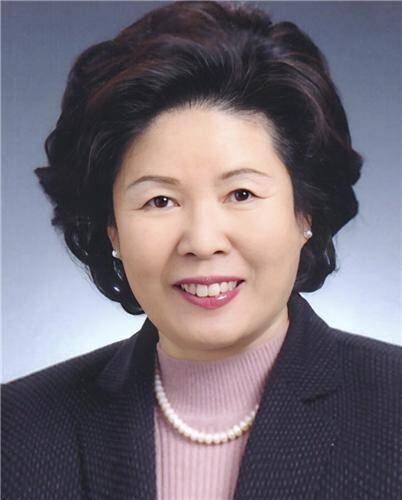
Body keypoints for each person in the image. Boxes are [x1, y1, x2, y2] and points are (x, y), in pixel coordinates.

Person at [2, 1, 401, 499]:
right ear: (112, 230)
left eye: (241, 194)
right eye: (160, 201)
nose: (203, 242)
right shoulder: (15, 432)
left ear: (306, 212)